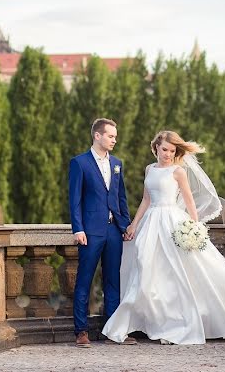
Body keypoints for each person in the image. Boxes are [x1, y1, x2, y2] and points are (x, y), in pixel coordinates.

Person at [102, 130, 225, 345]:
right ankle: (155, 323)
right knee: (146, 268)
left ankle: (179, 324)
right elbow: (146, 199)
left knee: (179, 274)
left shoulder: (178, 171)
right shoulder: (149, 170)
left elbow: (190, 201)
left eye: (172, 151)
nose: (168, 154)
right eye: (164, 150)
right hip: (151, 223)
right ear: (155, 148)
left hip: (172, 222)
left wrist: (194, 227)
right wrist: (134, 224)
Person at [68, 118, 136, 347]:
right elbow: (74, 200)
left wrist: (125, 226)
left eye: (115, 137)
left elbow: (121, 198)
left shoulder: (117, 163)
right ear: (97, 136)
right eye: (111, 136)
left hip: (113, 231)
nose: (114, 140)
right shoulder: (80, 163)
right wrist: (78, 228)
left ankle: (113, 331)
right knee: (84, 280)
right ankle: (81, 331)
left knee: (113, 281)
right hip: (90, 231)